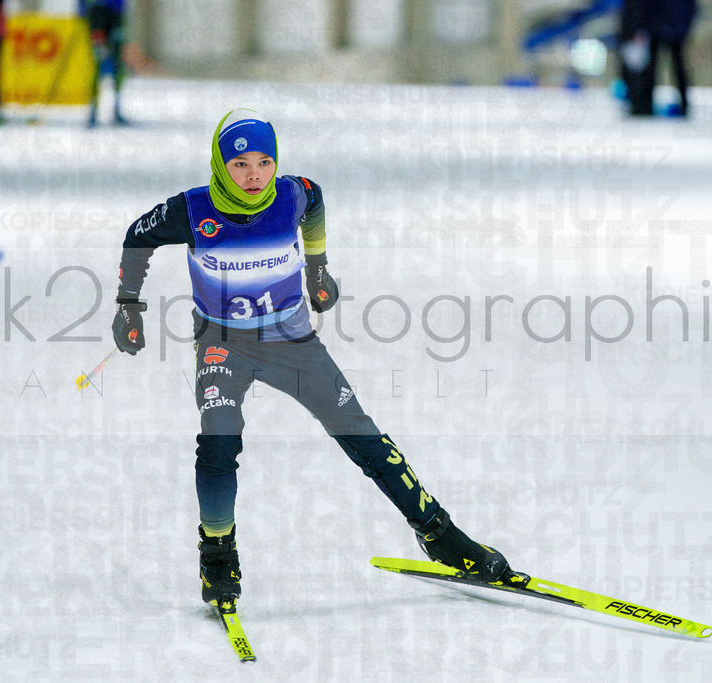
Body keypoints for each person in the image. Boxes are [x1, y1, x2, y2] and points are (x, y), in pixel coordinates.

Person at [112, 109, 519, 607]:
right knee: (218, 443)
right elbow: (137, 235)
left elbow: (316, 198)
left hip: (293, 342)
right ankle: (217, 557)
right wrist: (128, 305)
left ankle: (442, 537)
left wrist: (318, 269)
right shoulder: (192, 210)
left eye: (265, 161)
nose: (255, 174)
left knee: (363, 437)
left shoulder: (289, 194)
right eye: (240, 164)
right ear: (220, 164)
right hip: (223, 343)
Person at [619, 0, 697, 117]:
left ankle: (646, 107)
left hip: (660, 28)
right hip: (667, 28)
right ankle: (647, 106)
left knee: (665, 70)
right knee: (654, 71)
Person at [78, 0, 127, 127]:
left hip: (116, 14)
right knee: (96, 64)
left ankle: (116, 109)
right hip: (97, 13)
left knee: (117, 65)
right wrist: (82, 11)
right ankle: (93, 111)